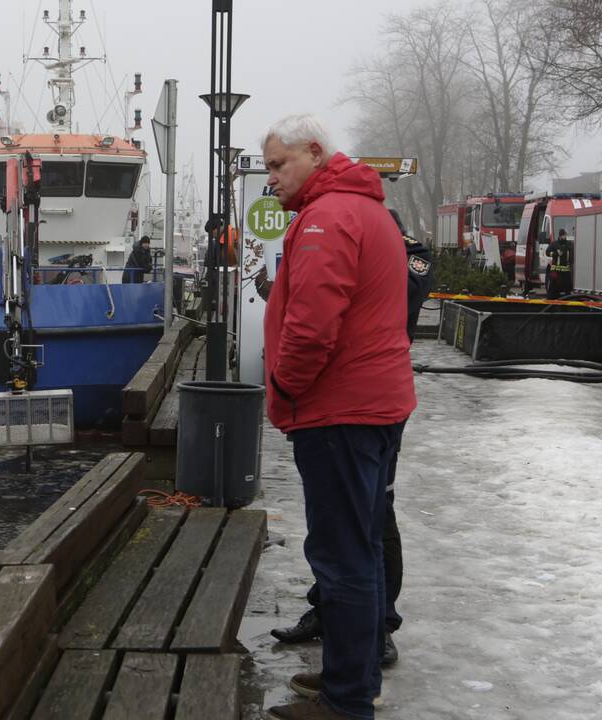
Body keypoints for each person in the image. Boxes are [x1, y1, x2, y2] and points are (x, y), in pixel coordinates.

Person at [261, 114, 416, 720]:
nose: (271, 178)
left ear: (315, 153)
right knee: (366, 543)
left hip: (339, 411)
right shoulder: (366, 209)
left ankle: (346, 702)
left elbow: (311, 324)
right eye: (268, 166)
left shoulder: (327, 217)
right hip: (375, 403)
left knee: (342, 553)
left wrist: (283, 386)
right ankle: (354, 674)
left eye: (279, 164)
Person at [271, 208, 433, 672]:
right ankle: (329, 608)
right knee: (334, 523)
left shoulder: (409, 257)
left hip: (371, 403)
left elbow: (387, 302)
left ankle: (379, 627)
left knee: (375, 514)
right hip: (336, 402)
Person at [546, 227, 572, 299]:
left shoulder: (569, 244)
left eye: (565, 235)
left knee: (567, 288)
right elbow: (547, 253)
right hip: (556, 271)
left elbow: (571, 255)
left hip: (566, 271)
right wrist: (556, 253)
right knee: (553, 288)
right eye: (564, 235)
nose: (565, 237)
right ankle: (550, 302)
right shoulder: (554, 244)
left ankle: (567, 303)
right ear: (560, 236)